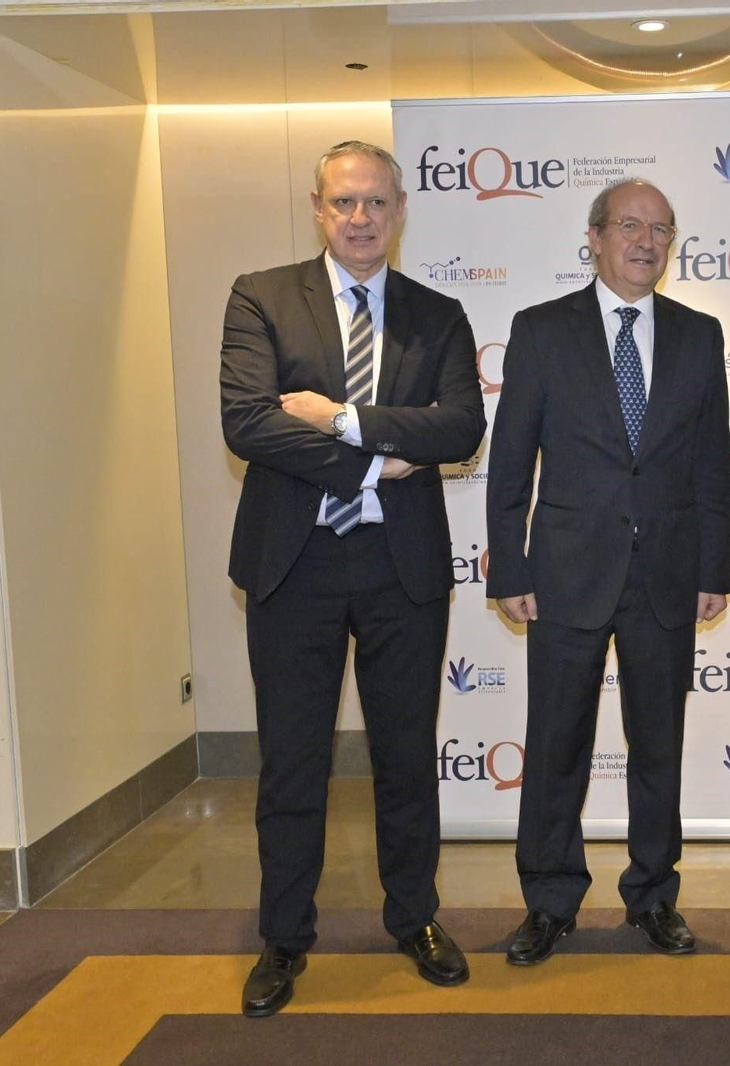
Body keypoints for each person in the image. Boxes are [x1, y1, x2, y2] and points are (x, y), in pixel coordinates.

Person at [220, 141, 486, 1016]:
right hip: (292, 563)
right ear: (316, 207)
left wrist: (339, 419)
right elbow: (250, 424)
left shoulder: (437, 313)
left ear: (401, 208)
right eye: (344, 203)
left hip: (399, 568)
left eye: (376, 203)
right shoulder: (260, 296)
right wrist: (375, 464)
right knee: (292, 765)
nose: (361, 218)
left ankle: (416, 920)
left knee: (407, 760)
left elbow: (456, 430)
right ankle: (283, 939)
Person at [485, 178, 730, 966]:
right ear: (593, 236)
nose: (646, 241)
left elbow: (709, 468)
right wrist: (509, 564)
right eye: (630, 225)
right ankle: (550, 900)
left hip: (664, 572)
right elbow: (511, 461)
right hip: (564, 573)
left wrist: (712, 568)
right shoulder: (540, 329)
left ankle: (654, 897)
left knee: (658, 745)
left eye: (661, 228)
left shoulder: (698, 335)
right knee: (556, 743)